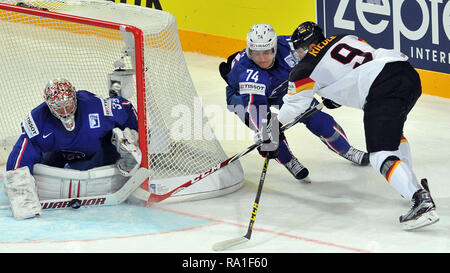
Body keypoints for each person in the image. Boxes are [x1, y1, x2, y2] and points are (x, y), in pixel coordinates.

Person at [277, 21, 439, 230]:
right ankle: (411, 186)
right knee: (394, 135)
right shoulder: (344, 38)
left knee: (379, 153)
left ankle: (421, 201)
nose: (297, 55)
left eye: (299, 49)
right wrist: (335, 93)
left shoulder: (304, 68)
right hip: (405, 73)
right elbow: (353, 68)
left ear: (306, 47)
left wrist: (273, 126)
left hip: (381, 88)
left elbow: (293, 107)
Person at [219, 24, 368, 182]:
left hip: (281, 89)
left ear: (274, 48)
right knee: (272, 138)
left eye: (266, 52)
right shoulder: (248, 71)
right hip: (242, 98)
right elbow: (256, 105)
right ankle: (289, 161)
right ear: (249, 51)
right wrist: (265, 132)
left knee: (319, 121)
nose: (261, 58)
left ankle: (347, 150)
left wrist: (331, 89)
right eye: (256, 53)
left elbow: (319, 64)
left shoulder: (292, 47)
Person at [4, 78, 141, 219]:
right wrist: (19, 187)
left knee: (119, 139)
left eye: (67, 105)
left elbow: (126, 106)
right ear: (48, 104)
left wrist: (136, 133)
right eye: (58, 106)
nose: (64, 111)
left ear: (74, 97)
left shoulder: (96, 106)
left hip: (97, 151)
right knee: (39, 167)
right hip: (62, 153)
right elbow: (22, 150)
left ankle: (127, 159)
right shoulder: (37, 119)